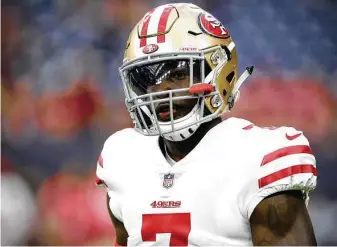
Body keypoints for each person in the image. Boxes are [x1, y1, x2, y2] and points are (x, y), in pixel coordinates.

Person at [96, 3, 317, 246]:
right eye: (149, 80)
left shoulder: (258, 158)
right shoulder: (122, 158)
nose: (161, 90)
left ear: (219, 72)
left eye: (178, 75)